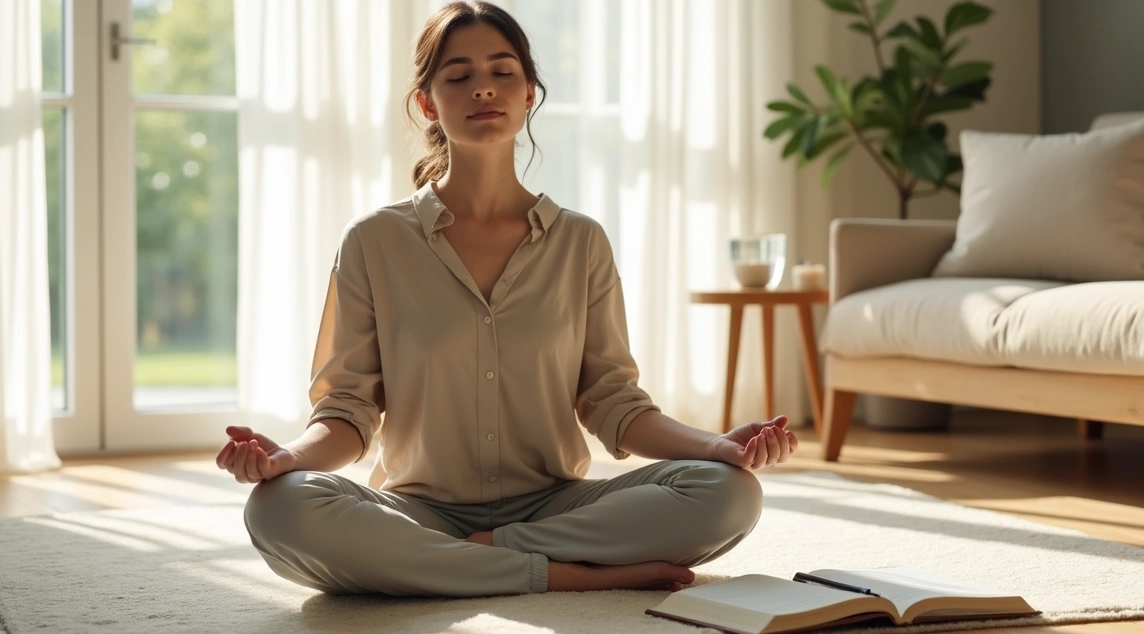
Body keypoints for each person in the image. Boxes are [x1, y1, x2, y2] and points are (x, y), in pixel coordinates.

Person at [215, 0, 798, 598]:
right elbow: (347, 411)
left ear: (529, 95)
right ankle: (559, 575)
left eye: (502, 72)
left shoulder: (581, 241)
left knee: (729, 492)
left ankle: (473, 562)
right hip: (420, 509)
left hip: (559, 504)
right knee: (278, 509)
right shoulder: (373, 241)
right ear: (427, 104)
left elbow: (614, 402)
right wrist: (288, 458)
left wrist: (718, 446)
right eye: (459, 76)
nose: (483, 90)